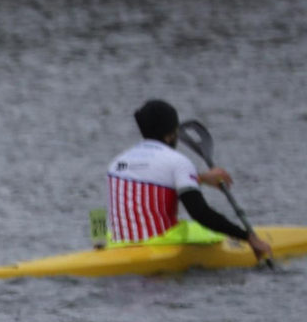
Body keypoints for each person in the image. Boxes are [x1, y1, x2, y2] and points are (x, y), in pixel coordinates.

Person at [106, 99, 272, 260]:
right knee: (205, 232)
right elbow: (200, 213)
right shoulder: (177, 162)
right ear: (170, 135)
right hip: (161, 246)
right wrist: (248, 238)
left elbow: (152, 177)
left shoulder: (117, 163)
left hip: (118, 245)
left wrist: (202, 178)